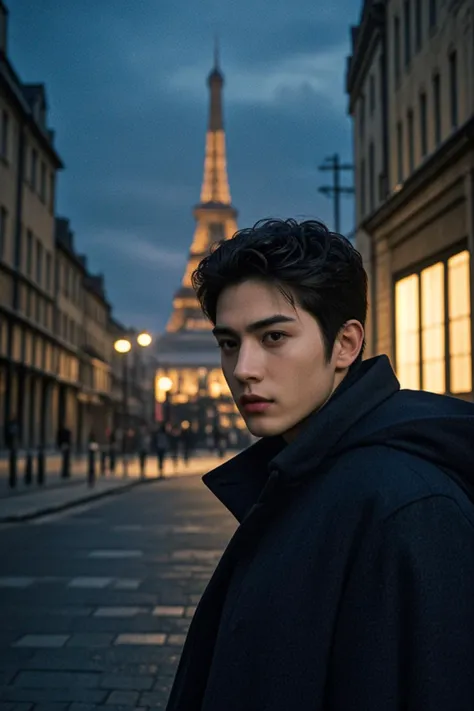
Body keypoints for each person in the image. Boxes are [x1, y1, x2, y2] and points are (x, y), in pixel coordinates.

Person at [165, 218, 474, 711]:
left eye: (273, 338)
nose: (243, 369)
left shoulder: (409, 505)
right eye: (229, 343)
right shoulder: (307, 473)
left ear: (346, 345)